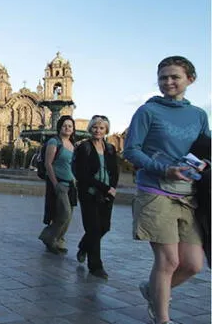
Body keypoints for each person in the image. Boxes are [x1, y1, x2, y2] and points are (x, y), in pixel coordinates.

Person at [123, 56, 209, 324]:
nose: (168, 82)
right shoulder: (147, 112)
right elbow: (131, 150)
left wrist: (206, 163)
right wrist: (162, 168)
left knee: (193, 264)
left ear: (190, 79)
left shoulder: (198, 115)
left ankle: (153, 290)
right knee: (169, 261)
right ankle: (161, 318)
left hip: (188, 196)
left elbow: (203, 148)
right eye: (163, 77)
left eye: (175, 77)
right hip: (155, 192)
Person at [73, 115, 119, 279]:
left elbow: (114, 171)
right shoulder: (84, 147)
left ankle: (84, 246)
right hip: (89, 193)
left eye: (101, 128)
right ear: (90, 129)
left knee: (104, 227)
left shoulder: (111, 148)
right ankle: (95, 266)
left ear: (106, 130)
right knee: (93, 228)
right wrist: (106, 188)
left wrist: (112, 187)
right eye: (95, 127)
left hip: (107, 194)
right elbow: (82, 174)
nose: (98, 131)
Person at [38, 115, 77, 255]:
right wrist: (55, 183)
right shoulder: (54, 142)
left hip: (71, 184)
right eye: (65, 125)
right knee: (64, 214)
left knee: (69, 215)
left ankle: (58, 241)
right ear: (60, 127)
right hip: (59, 183)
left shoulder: (73, 145)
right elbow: (48, 164)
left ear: (73, 129)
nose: (67, 128)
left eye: (70, 126)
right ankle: (48, 237)